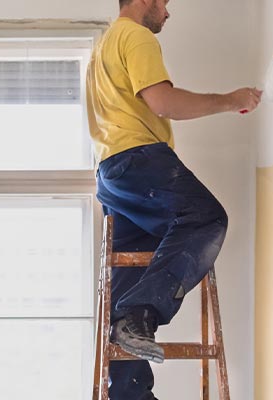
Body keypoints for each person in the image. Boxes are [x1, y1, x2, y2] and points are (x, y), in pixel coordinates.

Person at [85, 0, 262, 398]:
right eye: (164, 3)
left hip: (113, 174)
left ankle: (129, 390)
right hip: (139, 160)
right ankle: (142, 312)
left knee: (128, 284)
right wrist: (231, 99)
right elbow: (164, 103)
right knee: (206, 219)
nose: (167, 12)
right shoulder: (136, 36)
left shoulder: (104, 45)